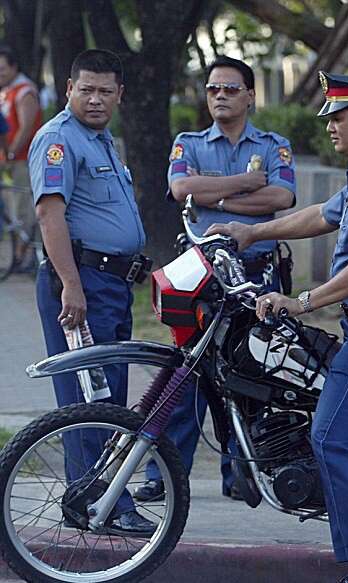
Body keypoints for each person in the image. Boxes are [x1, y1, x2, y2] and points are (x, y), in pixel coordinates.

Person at [207, 71, 348, 583]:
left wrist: (300, 302)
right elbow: (319, 216)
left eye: (338, 117)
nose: (330, 126)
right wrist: (251, 232)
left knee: (330, 436)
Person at [134, 56, 296, 503]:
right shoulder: (189, 141)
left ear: (250, 95)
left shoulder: (274, 143)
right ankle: (164, 472)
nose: (219, 96)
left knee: (251, 373)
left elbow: (281, 196)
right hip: (201, 277)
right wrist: (245, 184)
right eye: (212, 89)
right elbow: (182, 189)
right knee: (184, 375)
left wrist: (215, 194)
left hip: (255, 275)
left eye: (229, 89)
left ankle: (242, 473)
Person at [28, 49, 154, 536]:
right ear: (68, 88)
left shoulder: (101, 141)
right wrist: (72, 288)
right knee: (90, 397)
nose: (96, 99)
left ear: (120, 95)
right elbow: (49, 215)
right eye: (87, 89)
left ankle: (96, 498)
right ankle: (98, 503)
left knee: (109, 396)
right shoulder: (58, 138)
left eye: (105, 91)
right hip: (80, 284)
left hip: (111, 286)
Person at [0, 46, 42, 268]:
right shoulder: (8, 91)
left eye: (3, 69)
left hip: (23, 159)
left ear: (14, 67)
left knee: (25, 209)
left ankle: (24, 258)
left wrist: (12, 152)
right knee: (15, 209)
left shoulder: (25, 91)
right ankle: (19, 257)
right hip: (11, 161)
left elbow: (26, 128)